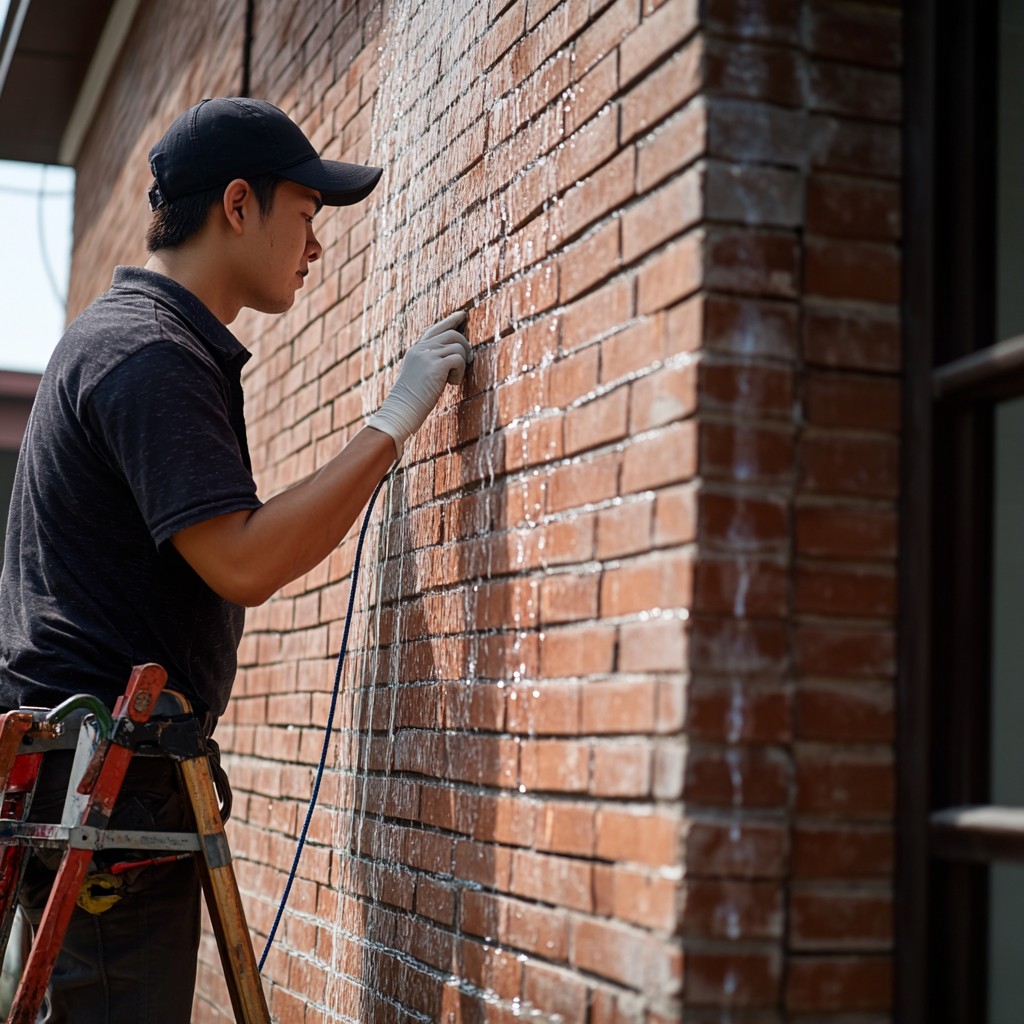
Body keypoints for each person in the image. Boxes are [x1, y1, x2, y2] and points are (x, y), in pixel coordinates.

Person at [0, 96, 472, 1022]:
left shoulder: (122, 337)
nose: (317, 244)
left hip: (80, 774)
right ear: (239, 206)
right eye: (306, 213)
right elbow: (243, 562)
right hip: (104, 787)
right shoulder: (149, 354)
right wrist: (395, 419)